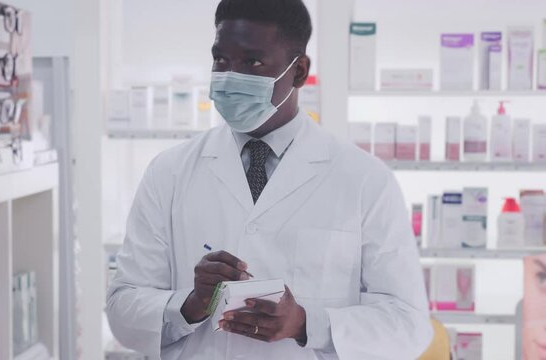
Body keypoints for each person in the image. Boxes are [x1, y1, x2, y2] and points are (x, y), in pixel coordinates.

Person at [106, 0, 433, 358]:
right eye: (221, 60)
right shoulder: (168, 172)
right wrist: (191, 304)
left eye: (252, 62)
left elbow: (408, 326)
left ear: (298, 72)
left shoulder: (365, 180)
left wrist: (305, 324)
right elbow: (123, 307)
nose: (230, 77)